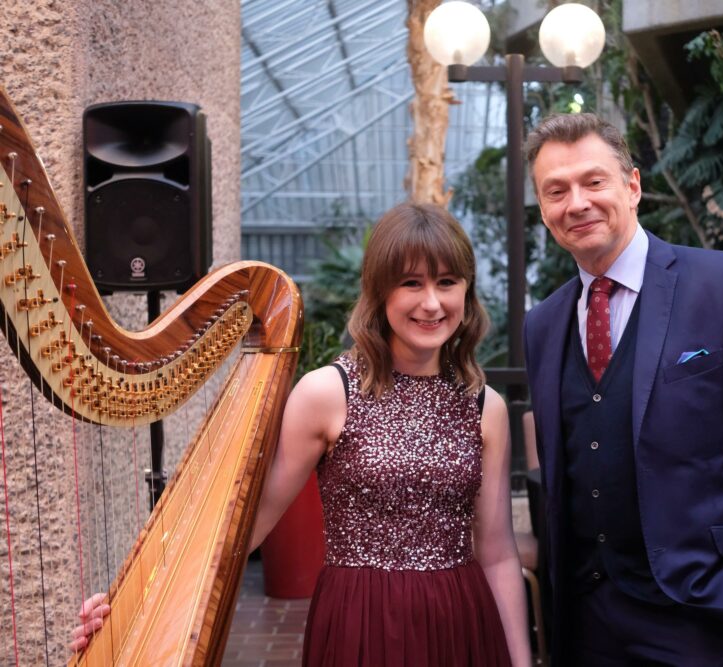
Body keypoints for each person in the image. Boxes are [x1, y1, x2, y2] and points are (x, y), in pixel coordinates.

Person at [72, 203, 532, 667]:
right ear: (380, 292)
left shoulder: (484, 406)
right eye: (411, 282)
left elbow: (496, 553)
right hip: (361, 625)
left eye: (447, 282)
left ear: (466, 292)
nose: (432, 302)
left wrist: (520, 661)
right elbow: (245, 527)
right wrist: (131, 601)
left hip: (461, 622)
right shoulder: (327, 393)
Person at [521, 112, 723, 666]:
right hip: (584, 625)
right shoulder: (542, 325)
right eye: (555, 191)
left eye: (594, 181)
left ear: (632, 186)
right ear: (543, 210)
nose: (577, 203)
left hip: (698, 619)